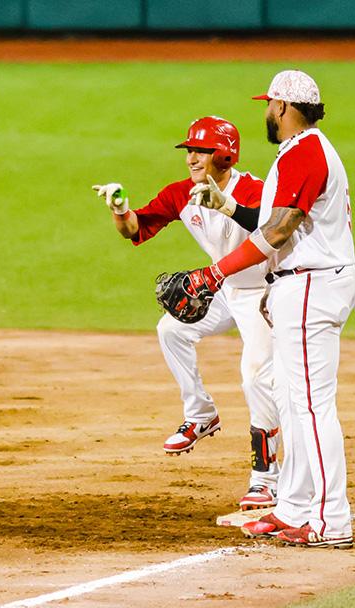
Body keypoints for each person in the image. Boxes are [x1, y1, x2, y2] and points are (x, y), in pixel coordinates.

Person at [176, 70, 355, 548]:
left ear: (282, 106)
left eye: (269, 104)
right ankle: (294, 507)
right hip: (299, 284)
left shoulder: (305, 151)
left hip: (312, 286)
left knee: (312, 408)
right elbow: (273, 222)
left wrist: (215, 273)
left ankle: (330, 520)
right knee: (293, 403)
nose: (266, 111)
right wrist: (228, 207)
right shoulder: (301, 150)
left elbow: (280, 231)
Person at [91, 116, 281, 511]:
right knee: (171, 329)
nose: (191, 158)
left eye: (200, 151)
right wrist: (120, 208)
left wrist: (227, 207)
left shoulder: (255, 189)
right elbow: (135, 228)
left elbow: (270, 228)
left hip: (265, 294)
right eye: (189, 151)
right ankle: (201, 414)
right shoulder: (182, 194)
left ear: (224, 155)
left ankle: (265, 480)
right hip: (225, 288)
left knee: (255, 378)